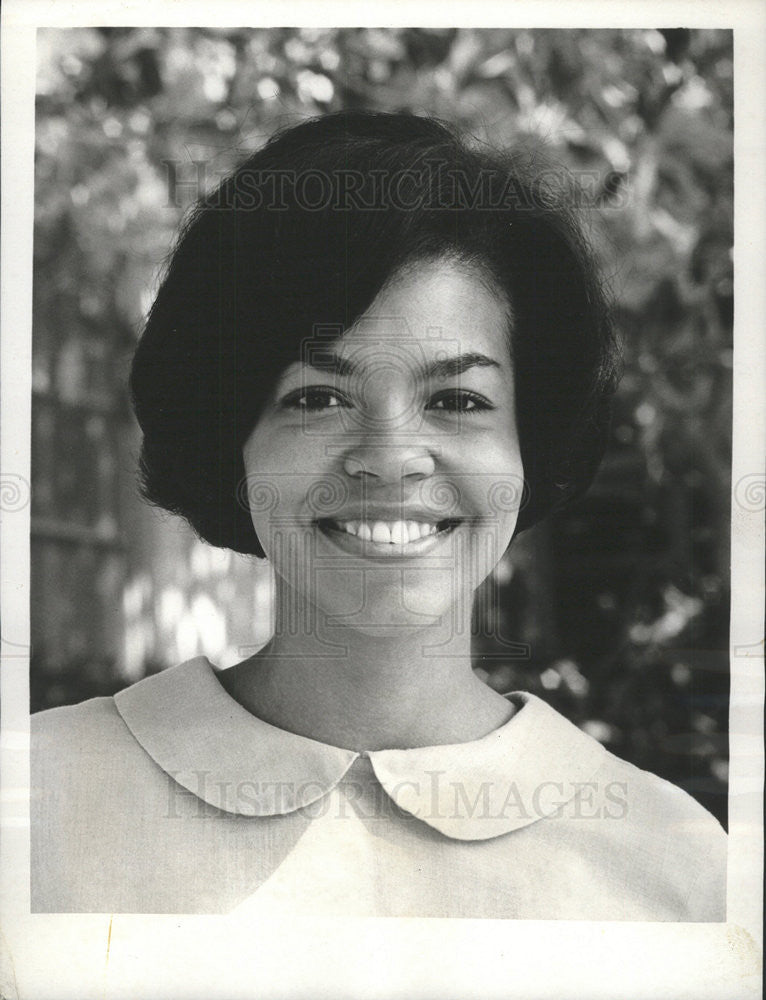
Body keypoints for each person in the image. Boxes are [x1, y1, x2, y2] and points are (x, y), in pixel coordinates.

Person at [31, 110, 727, 918]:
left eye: (458, 399)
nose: (391, 456)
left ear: (529, 441)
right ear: (235, 442)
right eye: (317, 397)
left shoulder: (676, 868)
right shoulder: (36, 809)